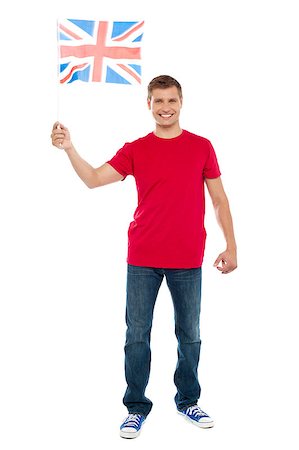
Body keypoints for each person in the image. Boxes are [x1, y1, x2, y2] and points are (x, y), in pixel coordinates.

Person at [51, 75, 237, 439]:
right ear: (148, 105)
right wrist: (70, 148)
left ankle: (188, 400)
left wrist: (231, 245)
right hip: (143, 257)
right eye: (158, 101)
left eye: (171, 100)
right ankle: (135, 407)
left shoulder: (202, 146)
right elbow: (92, 179)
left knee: (190, 334)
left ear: (182, 102)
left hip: (187, 257)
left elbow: (219, 200)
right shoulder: (136, 149)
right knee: (137, 334)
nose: (165, 107)